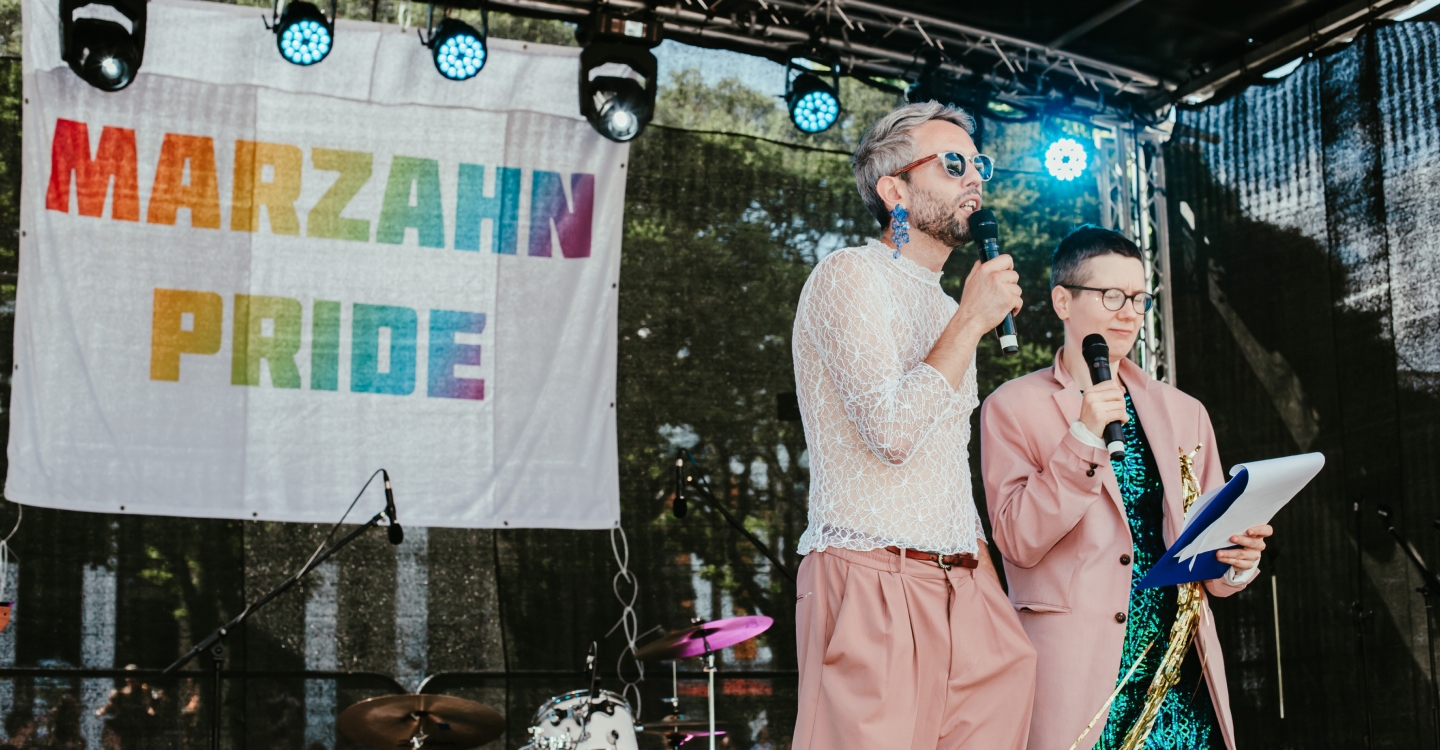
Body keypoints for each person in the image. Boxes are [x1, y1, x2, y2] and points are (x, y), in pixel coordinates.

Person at [790, 101, 1035, 750]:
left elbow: (945, 458)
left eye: (977, 164)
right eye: (952, 164)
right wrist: (969, 324)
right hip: (874, 569)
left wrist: (983, 577)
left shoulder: (953, 305)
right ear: (893, 190)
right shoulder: (849, 274)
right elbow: (891, 434)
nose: (974, 179)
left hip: (965, 579)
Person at [980, 225, 1273, 750]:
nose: (1130, 312)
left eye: (1140, 298)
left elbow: (1210, 562)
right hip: (1080, 673)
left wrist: (1240, 559)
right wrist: (1083, 439)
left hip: (1179, 671)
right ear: (1062, 301)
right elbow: (1017, 540)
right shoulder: (1012, 406)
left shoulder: (1184, 411)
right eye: (1112, 296)